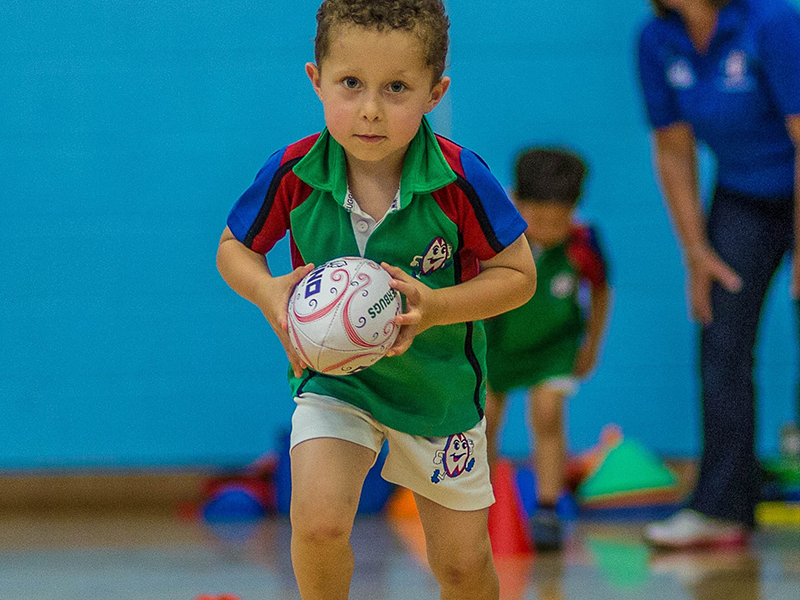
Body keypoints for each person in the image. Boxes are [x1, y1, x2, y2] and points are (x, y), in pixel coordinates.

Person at [216, 1, 537, 598]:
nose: (369, 108)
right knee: (315, 523)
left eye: (396, 88)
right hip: (337, 381)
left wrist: (437, 307)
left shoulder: (462, 178)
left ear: (434, 92)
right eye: (350, 84)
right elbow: (233, 248)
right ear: (316, 79)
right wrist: (269, 293)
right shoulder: (293, 170)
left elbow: (518, 275)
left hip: (437, 391)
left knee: (462, 565)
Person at [637, 0, 800, 549]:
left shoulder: (772, 22)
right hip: (742, 197)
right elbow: (673, 148)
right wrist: (695, 249)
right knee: (721, 338)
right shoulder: (657, 41)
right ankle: (723, 508)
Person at [483, 148, 612, 551]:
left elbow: (602, 290)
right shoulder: (492, 233)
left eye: (559, 222)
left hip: (554, 346)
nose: (548, 230)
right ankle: (479, 506)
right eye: (538, 219)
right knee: (484, 420)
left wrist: (591, 344)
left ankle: (548, 508)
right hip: (494, 341)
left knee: (547, 412)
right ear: (516, 201)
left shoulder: (584, 242)